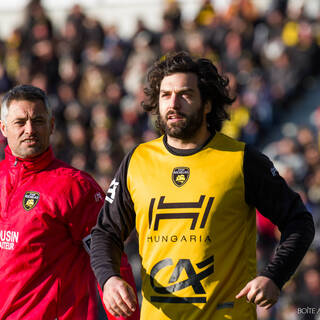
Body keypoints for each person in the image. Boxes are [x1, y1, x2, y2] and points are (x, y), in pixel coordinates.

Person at [90, 52, 315, 320]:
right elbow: (105, 232)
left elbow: (299, 222)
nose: (173, 103)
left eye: (185, 94)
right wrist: (109, 279)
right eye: (165, 95)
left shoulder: (241, 160)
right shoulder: (137, 161)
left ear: (207, 103)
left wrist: (274, 276)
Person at [0, 84, 139, 320]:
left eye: (39, 120)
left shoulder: (75, 186)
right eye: (20, 122)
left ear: (52, 126)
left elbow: (110, 255)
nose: (30, 129)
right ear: (4, 128)